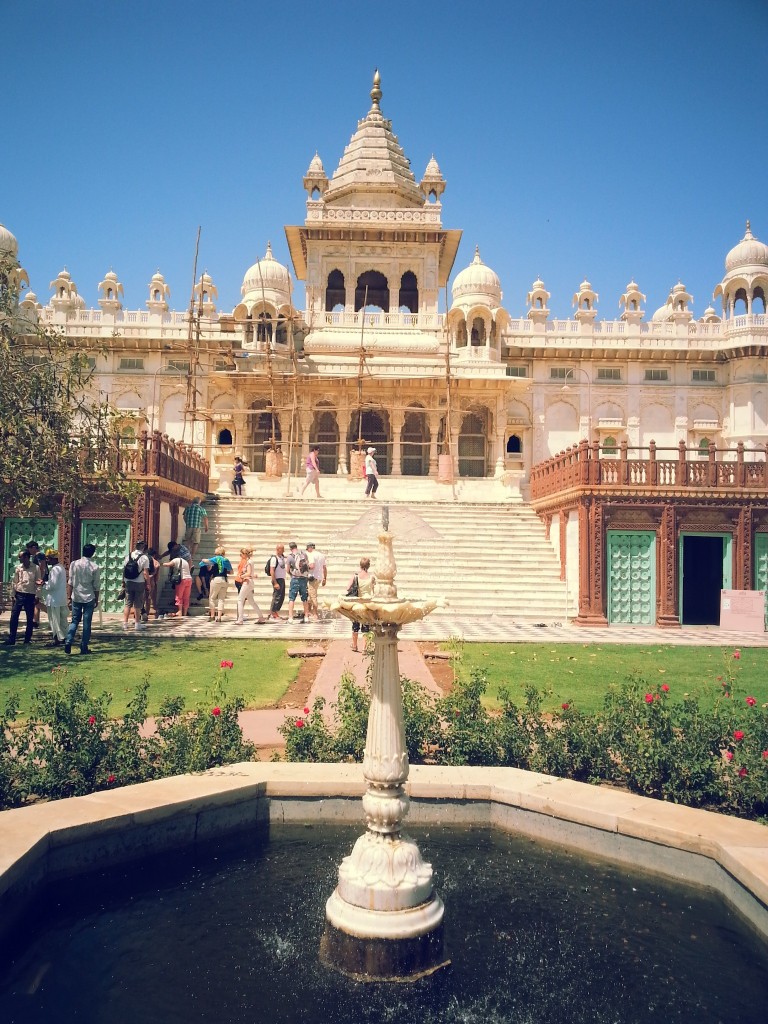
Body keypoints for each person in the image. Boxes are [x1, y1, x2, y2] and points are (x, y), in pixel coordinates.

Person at [64, 543, 100, 655]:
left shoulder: (74, 564)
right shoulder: (94, 567)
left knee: (74, 620)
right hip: (89, 597)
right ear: (92, 553)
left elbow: (70, 582)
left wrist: (69, 597)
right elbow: (96, 585)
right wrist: (96, 599)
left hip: (76, 596)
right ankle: (84, 646)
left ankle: (68, 641)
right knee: (87, 623)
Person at [3, 550, 41, 646]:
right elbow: (14, 582)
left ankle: (27, 639)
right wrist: (12, 595)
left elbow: (38, 583)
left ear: (26, 557)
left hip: (30, 595)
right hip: (19, 594)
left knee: (29, 618)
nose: (19, 559)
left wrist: (38, 595)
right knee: (14, 617)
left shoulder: (35, 568)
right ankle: (12, 639)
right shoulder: (18, 568)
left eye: (21, 557)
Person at [122, 540, 150, 633]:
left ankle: (125, 624)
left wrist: (123, 582)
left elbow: (124, 570)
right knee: (138, 604)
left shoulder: (128, 556)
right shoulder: (144, 558)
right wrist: (148, 584)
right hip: (139, 582)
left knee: (128, 603)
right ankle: (137, 624)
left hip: (128, 582)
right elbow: (146, 573)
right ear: (143, 548)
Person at [349, 557, 375, 651]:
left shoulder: (355, 576)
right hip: (367, 604)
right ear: (369, 566)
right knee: (366, 626)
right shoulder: (372, 577)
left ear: (360, 565)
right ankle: (365, 647)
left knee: (355, 625)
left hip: (357, 603)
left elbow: (348, 588)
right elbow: (374, 591)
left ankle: (355, 645)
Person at [42, 549, 68, 647]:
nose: (47, 561)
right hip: (60, 599)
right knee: (62, 621)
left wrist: (43, 584)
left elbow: (52, 586)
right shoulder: (60, 568)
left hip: (54, 600)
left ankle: (57, 640)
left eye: (48, 559)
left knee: (54, 621)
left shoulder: (55, 569)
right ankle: (64, 638)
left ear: (53, 558)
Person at [200, 547, 233, 622]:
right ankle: (219, 617)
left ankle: (212, 616)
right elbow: (231, 572)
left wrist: (202, 559)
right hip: (224, 580)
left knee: (212, 598)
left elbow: (206, 561)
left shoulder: (216, 559)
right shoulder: (226, 560)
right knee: (221, 599)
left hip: (216, 579)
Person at [234, 548, 266, 624]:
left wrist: (241, 576)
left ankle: (240, 619)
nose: (240, 555)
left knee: (240, 600)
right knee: (251, 601)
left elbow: (248, 573)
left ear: (245, 554)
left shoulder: (248, 562)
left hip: (247, 582)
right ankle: (261, 617)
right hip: (249, 582)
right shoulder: (249, 561)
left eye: (241, 554)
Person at [163, 548, 192, 618]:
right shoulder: (185, 561)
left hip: (182, 580)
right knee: (186, 597)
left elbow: (168, 564)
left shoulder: (176, 560)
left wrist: (162, 563)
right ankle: (185, 613)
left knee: (179, 596)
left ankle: (180, 611)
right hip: (189, 579)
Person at [286, 541, 310, 623]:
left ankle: (290, 618)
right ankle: (306, 616)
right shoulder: (303, 554)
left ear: (290, 548)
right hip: (303, 578)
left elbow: (287, 569)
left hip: (295, 578)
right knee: (305, 598)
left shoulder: (290, 557)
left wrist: (291, 574)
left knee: (291, 598)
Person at [306, 542, 327, 622]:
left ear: (310, 548)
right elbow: (324, 568)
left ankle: (315, 614)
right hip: (319, 578)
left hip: (312, 577)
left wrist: (304, 566)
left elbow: (311, 566)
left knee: (313, 596)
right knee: (311, 595)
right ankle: (308, 612)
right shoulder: (321, 555)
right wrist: (325, 578)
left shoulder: (311, 555)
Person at [267, 543, 287, 620]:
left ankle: (276, 611)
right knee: (277, 596)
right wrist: (275, 582)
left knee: (281, 596)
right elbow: (272, 571)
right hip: (277, 579)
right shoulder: (274, 559)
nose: (283, 550)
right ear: (278, 549)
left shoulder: (282, 557)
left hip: (282, 579)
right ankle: (272, 612)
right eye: (282, 549)